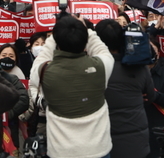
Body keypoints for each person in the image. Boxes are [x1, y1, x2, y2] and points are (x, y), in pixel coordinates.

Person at [29, 14, 115, 158]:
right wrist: (86, 29)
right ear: (85, 41)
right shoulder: (102, 66)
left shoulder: (43, 71)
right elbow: (100, 48)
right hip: (99, 150)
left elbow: (43, 56)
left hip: (61, 152)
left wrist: (57, 32)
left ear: (58, 42)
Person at [96, 19, 156, 158]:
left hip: (103, 142)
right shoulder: (139, 66)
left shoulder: (93, 69)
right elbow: (150, 96)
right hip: (136, 143)